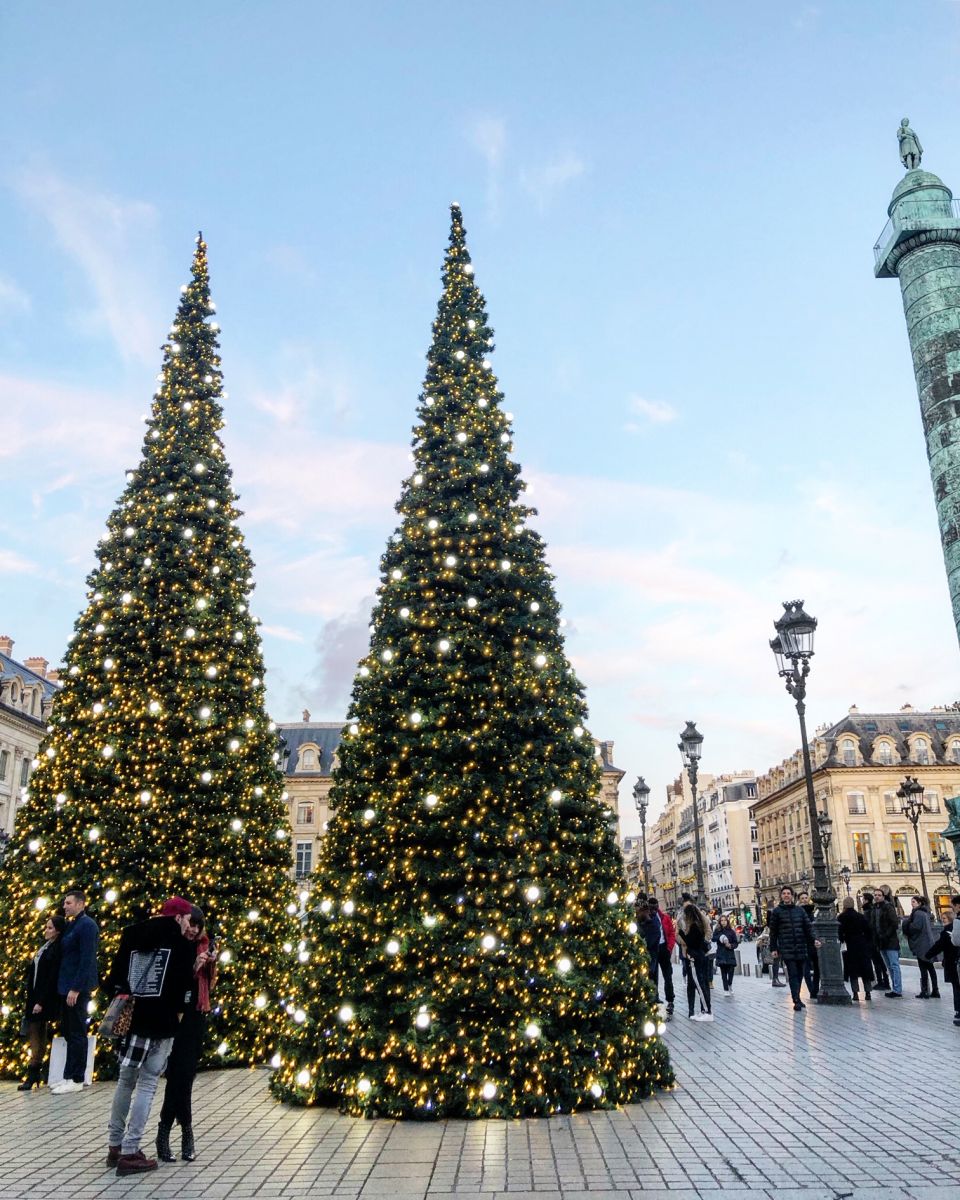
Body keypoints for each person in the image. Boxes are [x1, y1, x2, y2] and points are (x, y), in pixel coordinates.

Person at [105, 898, 197, 1177]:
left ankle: (115, 1145)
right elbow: (183, 989)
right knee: (147, 1084)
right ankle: (132, 1150)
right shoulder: (181, 944)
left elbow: (113, 979)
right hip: (161, 1023)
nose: (188, 924)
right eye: (186, 918)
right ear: (179, 917)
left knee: (125, 1080)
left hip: (132, 1020)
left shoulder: (132, 934)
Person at [157, 906, 217, 1163]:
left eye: (198, 925)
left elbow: (210, 984)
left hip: (195, 1015)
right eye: (191, 924)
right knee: (178, 1075)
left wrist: (211, 963)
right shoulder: (177, 945)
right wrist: (194, 965)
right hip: (176, 1015)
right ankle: (184, 1132)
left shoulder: (204, 945)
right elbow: (174, 981)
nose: (193, 929)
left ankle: (166, 1132)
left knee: (184, 1076)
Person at [52, 888, 100, 1094]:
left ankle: (77, 1077)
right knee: (70, 1032)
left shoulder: (87, 926)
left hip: (76, 988)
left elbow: (86, 959)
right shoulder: (73, 924)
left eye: (68, 903)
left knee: (78, 1032)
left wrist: (76, 988)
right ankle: (68, 1075)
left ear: (81, 904)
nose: (65, 906)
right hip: (66, 985)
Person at [18, 914, 66, 1089]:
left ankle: (33, 1073)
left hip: (41, 999)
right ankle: (34, 1073)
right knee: (35, 1032)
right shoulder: (46, 947)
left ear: (58, 931)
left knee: (36, 1033)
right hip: (34, 997)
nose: (46, 930)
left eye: (50, 928)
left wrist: (40, 1001)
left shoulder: (55, 950)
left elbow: (50, 978)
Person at [767, 886, 820, 1012]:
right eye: (784, 893)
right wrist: (773, 948)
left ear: (792, 896)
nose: (786, 895)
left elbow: (808, 928)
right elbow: (773, 932)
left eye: (788, 893)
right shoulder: (777, 912)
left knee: (800, 974)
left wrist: (814, 939)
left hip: (801, 946)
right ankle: (796, 1000)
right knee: (792, 974)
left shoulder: (799, 911)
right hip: (787, 947)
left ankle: (797, 997)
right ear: (781, 896)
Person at [676, 901, 713, 1022]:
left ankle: (707, 1011)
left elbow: (690, 942)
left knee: (699, 984)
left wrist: (681, 933)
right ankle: (704, 1010)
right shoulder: (699, 924)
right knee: (700, 983)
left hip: (694, 957)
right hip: (700, 955)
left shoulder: (694, 927)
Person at [927, 895, 960, 1026]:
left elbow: (955, 941)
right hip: (953, 960)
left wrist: (928, 955)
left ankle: (958, 1011)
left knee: (957, 987)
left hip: (954, 961)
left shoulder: (955, 924)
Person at [836, 896, 874, 1001]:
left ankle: (855, 993)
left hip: (849, 946)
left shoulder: (841, 917)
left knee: (852, 971)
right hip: (861, 944)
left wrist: (843, 939)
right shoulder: (860, 916)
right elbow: (868, 931)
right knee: (865, 969)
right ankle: (868, 993)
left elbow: (839, 933)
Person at [902, 895, 940, 999]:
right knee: (930, 968)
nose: (912, 904)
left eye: (913, 902)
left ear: (919, 903)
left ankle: (925, 991)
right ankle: (935, 990)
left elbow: (916, 927)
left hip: (922, 945)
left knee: (924, 968)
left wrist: (906, 924)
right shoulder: (925, 912)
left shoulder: (918, 913)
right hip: (927, 943)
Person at [868, 887, 903, 998]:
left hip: (890, 941)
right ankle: (895, 988)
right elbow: (873, 925)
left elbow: (894, 923)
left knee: (894, 965)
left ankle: (897, 989)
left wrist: (886, 935)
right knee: (889, 966)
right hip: (880, 942)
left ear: (883, 896)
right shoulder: (874, 908)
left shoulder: (888, 907)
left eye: (879, 895)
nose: (877, 896)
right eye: (875, 895)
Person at [647, 897, 675, 1016]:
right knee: (653, 975)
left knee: (667, 976)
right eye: (651, 906)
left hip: (663, 948)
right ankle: (655, 999)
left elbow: (671, 933)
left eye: (655, 905)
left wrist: (669, 948)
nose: (654, 908)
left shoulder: (665, 918)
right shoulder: (647, 918)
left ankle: (670, 1000)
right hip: (653, 949)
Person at [861, 893, 890, 990]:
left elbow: (868, 926)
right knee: (880, 961)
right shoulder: (873, 909)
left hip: (871, 939)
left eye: (863, 899)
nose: (862, 901)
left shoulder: (868, 911)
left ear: (866, 900)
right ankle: (885, 981)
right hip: (875, 938)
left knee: (877, 961)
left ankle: (881, 981)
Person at [797, 892, 820, 1000]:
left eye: (806, 898)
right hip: (803, 942)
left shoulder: (812, 910)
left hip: (813, 942)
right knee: (805, 968)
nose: (805, 900)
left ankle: (815, 988)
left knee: (817, 967)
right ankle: (812, 990)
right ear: (799, 900)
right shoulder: (798, 912)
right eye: (802, 898)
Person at [712, 914, 739, 996]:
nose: (723, 922)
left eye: (725, 920)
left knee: (731, 971)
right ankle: (726, 989)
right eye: (722, 920)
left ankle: (729, 984)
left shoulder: (731, 931)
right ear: (720, 922)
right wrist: (721, 938)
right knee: (723, 972)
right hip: (721, 953)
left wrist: (731, 945)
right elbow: (713, 938)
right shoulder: (717, 931)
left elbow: (735, 942)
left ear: (727, 921)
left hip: (730, 953)